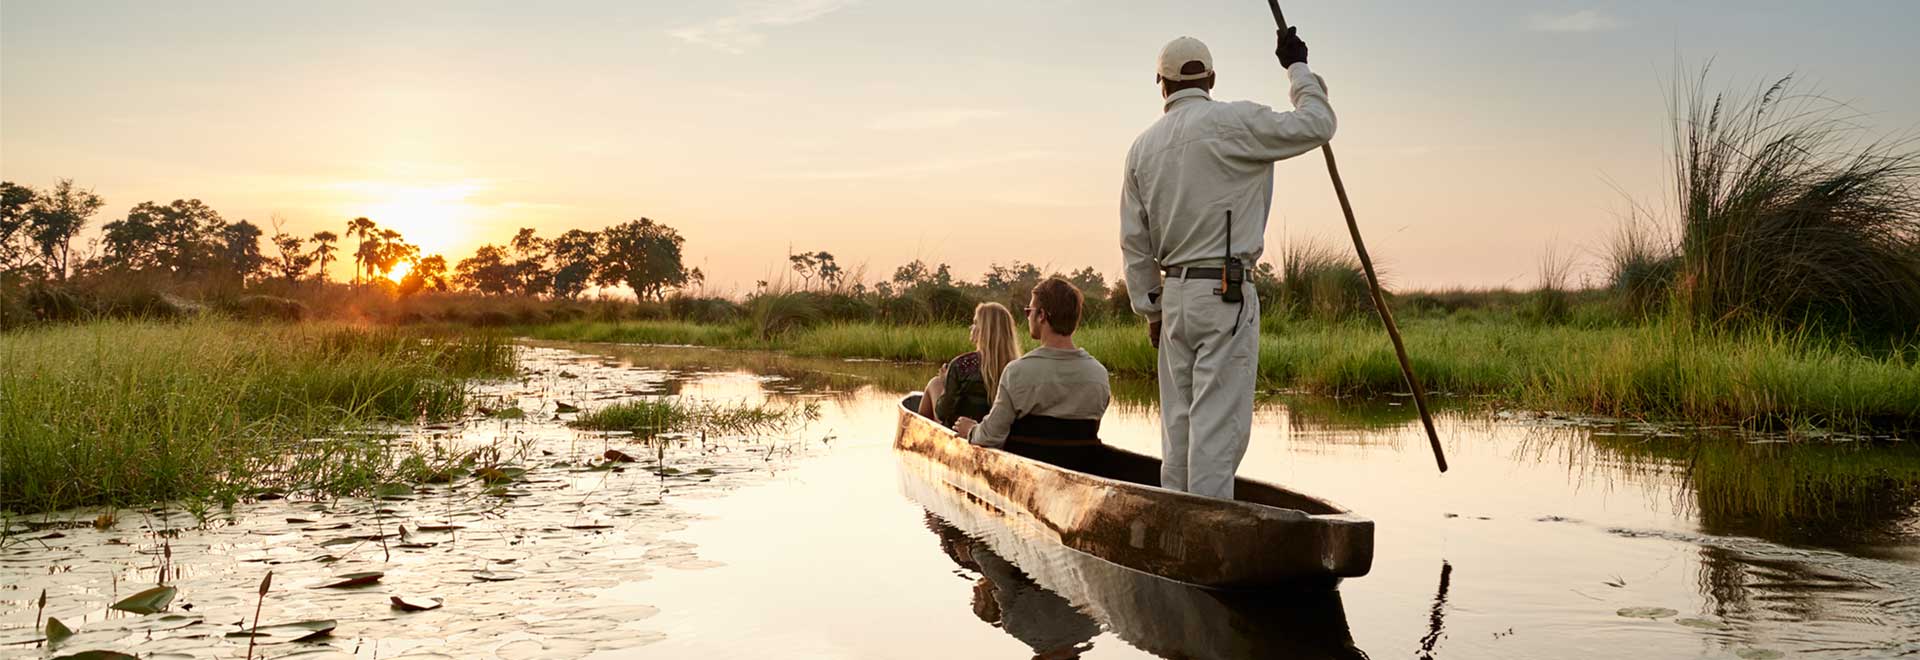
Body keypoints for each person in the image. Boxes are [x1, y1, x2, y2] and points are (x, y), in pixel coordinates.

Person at [1119, 31, 1334, 498]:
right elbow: (1317, 123)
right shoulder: (1238, 121)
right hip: (1226, 294)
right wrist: (1297, 68)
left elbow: (1134, 245)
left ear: (1161, 84)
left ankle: (1174, 527)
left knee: (1179, 429)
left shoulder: (1141, 149)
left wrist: (1152, 310)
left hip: (1174, 297)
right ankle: (1205, 540)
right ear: (1211, 78)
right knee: (1216, 429)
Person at [955, 278, 1111, 472]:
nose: (1027, 317)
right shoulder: (1099, 375)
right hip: (1081, 471)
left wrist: (970, 430)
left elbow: (990, 437)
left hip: (1026, 475)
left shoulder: (1017, 372)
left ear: (1042, 316)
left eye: (1029, 311)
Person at [919, 302, 1022, 428]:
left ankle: (919, 435)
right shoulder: (1017, 367)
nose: (971, 327)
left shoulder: (962, 365)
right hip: (997, 431)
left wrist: (946, 382)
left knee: (934, 383)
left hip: (959, 429)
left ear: (984, 330)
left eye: (975, 323)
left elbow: (942, 412)